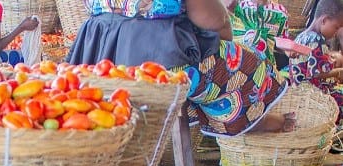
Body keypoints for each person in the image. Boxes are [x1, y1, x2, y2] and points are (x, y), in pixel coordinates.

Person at [66, 0, 291, 137]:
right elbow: (213, 20)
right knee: (247, 59)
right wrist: (224, 33)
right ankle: (251, 119)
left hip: (98, 58)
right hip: (157, 65)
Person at [289, 0, 343, 123]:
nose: (335, 33)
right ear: (324, 20)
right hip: (311, 94)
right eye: (336, 27)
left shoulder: (302, 36)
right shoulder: (317, 40)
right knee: (339, 100)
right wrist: (338, 71)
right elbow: (315, 74)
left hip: (298, 90)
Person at [226, 0, 288, 65]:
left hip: (265, 68)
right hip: (236, 65)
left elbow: (281, 41)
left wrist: (288, 50)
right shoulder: (237, 4)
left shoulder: (280, 12)